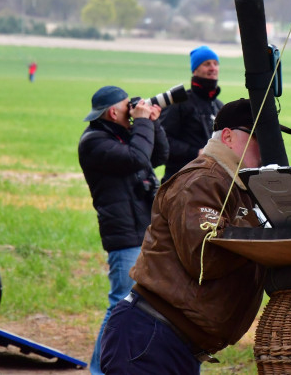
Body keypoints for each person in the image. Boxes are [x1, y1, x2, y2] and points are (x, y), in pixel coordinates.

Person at [101, 99, 278, 373]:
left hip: (172, 342)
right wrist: (260, 223)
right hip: (151, 337)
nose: (266, 144)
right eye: (257, 135)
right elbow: (205, 257)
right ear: (228, 137)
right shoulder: (204, 179)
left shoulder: (237, 186)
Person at [78, 85, 169, 375]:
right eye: (127, 107)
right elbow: (136, 158)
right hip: (123, 234)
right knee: (121, 303)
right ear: (112, 112)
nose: (132, 111)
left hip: (143, 228)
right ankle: (98, 370)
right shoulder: (94, 142)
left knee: (144, 304)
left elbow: (158, 155)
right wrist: (141, 122)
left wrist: (152, 122)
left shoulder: (119, 135)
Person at [160, 45, 223, 183]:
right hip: (179, 181)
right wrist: (195, 153)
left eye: (215, 63)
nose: (213, 68)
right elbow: (162, 141)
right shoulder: (179, 102)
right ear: (195, 70)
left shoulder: (219, 106)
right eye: (207, 64)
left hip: (210, 182)